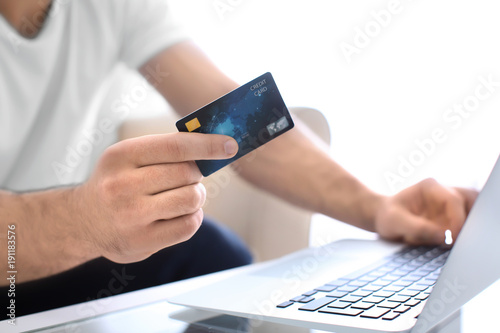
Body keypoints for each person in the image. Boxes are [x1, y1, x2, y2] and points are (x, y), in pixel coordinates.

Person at [0, 0, 477, 317]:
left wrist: (377, 208)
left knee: (216, 257)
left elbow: (234, 117)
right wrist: (85, 220)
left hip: (68, 254)